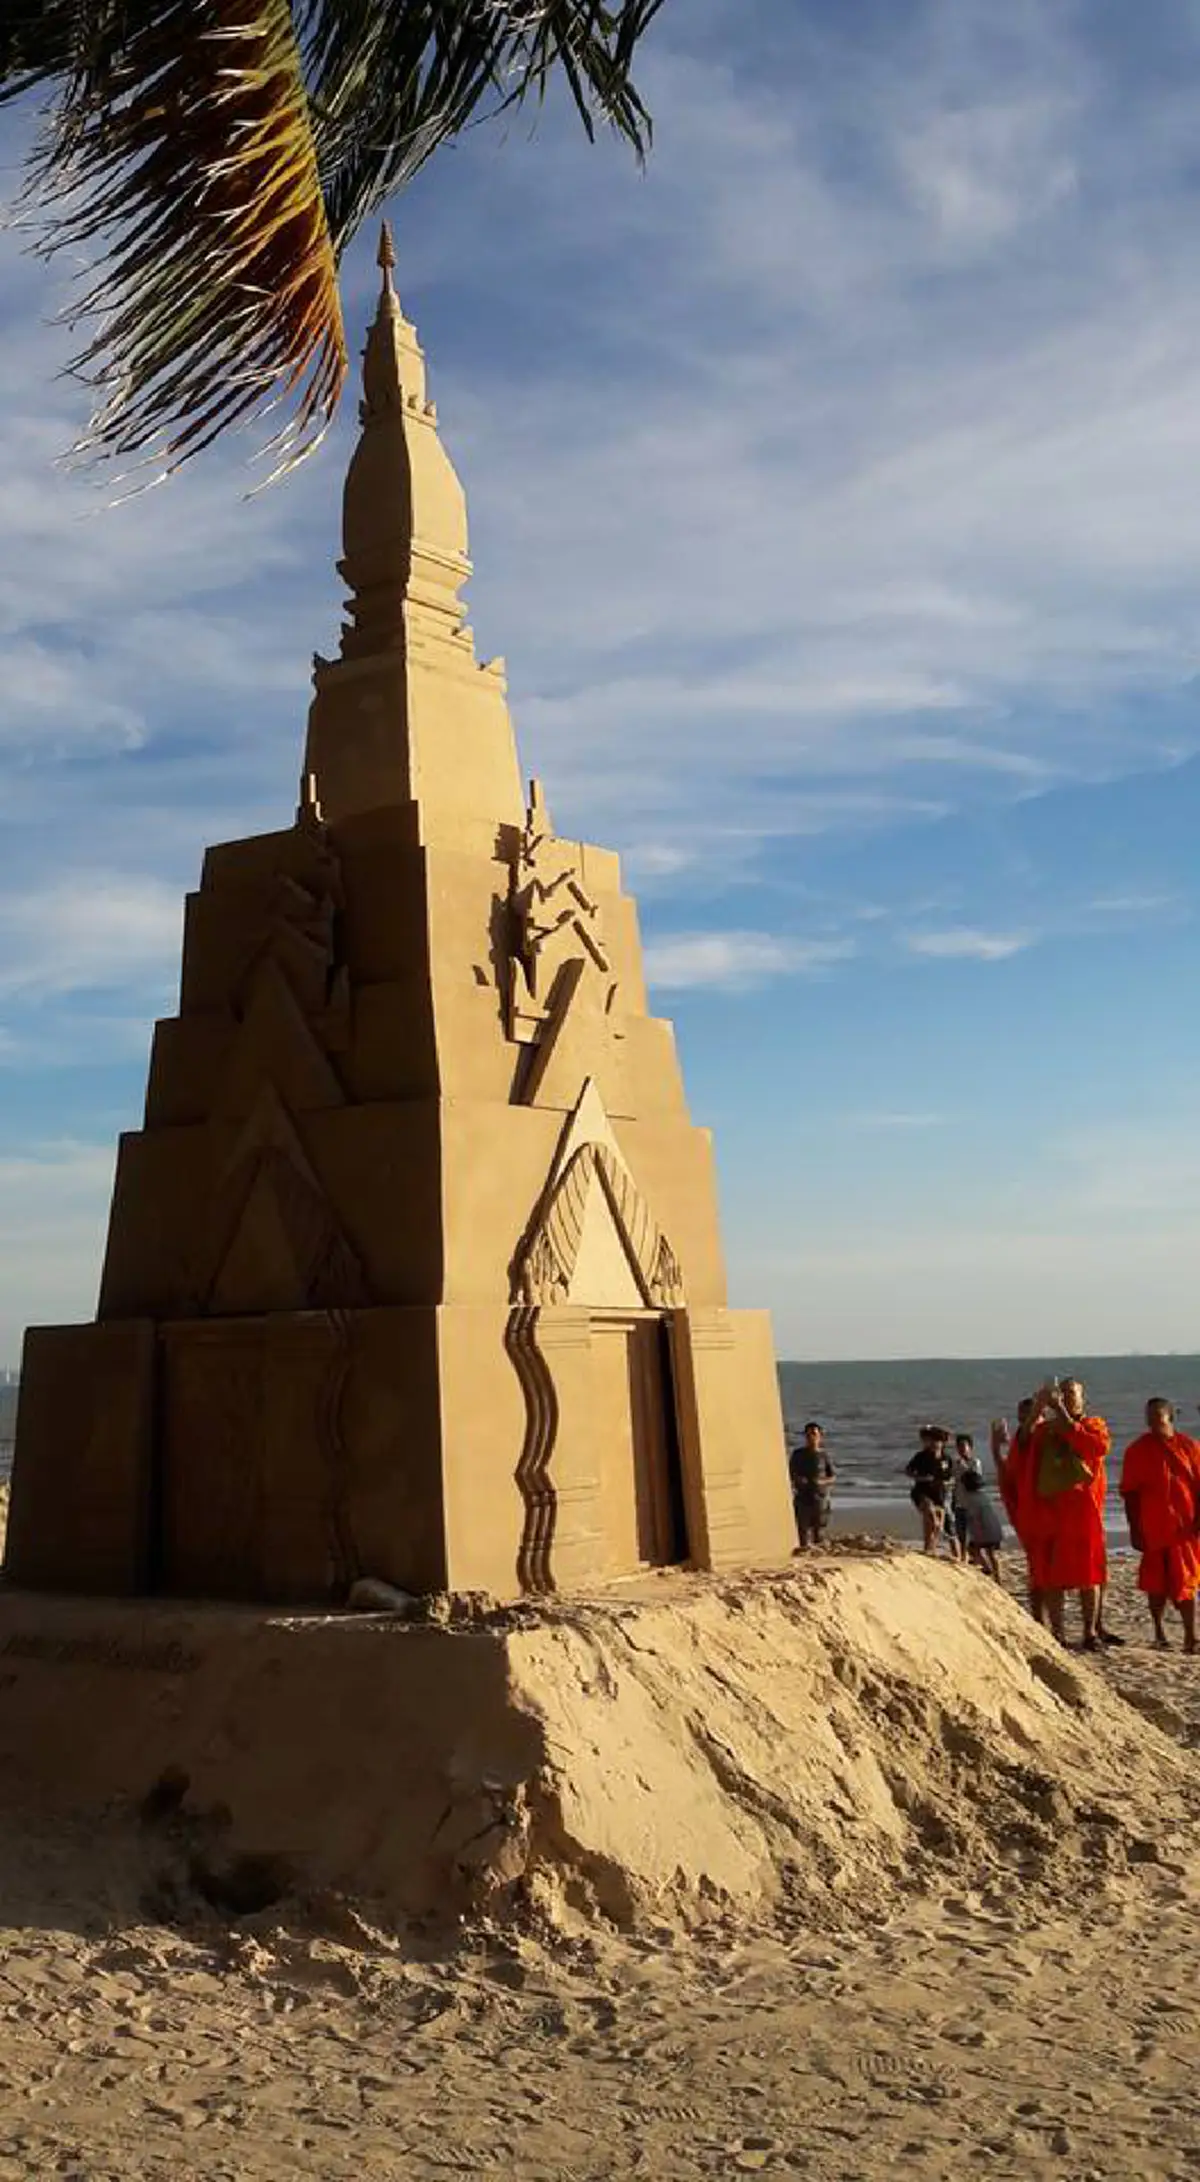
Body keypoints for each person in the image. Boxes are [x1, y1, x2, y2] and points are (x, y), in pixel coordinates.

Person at [1028, 1376, 1110, 1649]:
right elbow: (1024, 1444)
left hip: (1085, 1511)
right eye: (1062, 1394)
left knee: (1089, 1576)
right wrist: (1038, 1409)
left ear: (1082, 1399)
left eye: (1071, 1394)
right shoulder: (1047, 1430)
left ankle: (1090, 1632)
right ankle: (1058, 1632)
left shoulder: (1094, 1425)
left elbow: (1096, 1448)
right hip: (1054, 1512)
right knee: (1053, 1576)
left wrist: (1061, 1412)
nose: (1066, 1398)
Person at [1120, 1399, 1200, 1652]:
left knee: (1186, 1582)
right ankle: (1159, 1632)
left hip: (1184, 1529)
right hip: (1152, 1526)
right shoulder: (1138, 1450)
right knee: (1156, 1584)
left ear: (1170, 1417)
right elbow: (1130, 1493)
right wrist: (1134, 1528)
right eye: (1150, 1418)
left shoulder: (1189, 1447)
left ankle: (1191, 1636)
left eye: (1159, 1418)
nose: (1154, 1423)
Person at [992, 1399, 1047, 1622]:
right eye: (1022, 1416)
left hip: (1054, 1510)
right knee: (1037, 1570)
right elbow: (1009, 1476)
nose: (1025, 1420)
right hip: (1030, 1513)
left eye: (1031, 1414)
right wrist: (996, 1449)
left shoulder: (1048, 1435)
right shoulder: (1021, 1440)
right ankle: (1039, 1620)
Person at [905, 1426, 954, 1556]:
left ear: (942, 1443)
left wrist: (947, 1483)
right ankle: (929, 1548)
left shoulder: (946, 1459)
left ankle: (929, 1548)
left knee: (935, 1525)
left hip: (939, 1494)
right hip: (922, 1492)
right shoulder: (921, 1456)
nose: (933, 1444)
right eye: (930, 1441)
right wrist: (920, 1477)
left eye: (936, 1441)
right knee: (932, 1517)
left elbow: (951, 1477)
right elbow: (908, 1471)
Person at [790, 1421, 835, 1550]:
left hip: (820, 1497)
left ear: (820, 1436)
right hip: (803, 1496)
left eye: (814, 1434)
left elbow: (832, 1476)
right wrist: (799, 1479)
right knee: (802, 1528)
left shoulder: (824, 1455)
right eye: (808, 1434)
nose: (811, 1437)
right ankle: (804, 1550)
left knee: (818, 1529)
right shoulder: (798, 1454)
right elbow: (790, 1472)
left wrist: (821, 1482)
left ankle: (817, 1552)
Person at [961, 1465, 1003, 1579]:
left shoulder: (970, 1499)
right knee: (991, 1553)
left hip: (983, 1531)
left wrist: (976, 1534)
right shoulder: (983, 1495)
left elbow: (974, 1517)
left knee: (972, 1549)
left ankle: (986, 1568)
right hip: (994, 1528)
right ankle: (997, 1577)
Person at [951, 1434, 977, 1560]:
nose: (961, 1449)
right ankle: (963, 1556)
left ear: (970, 1447)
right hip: (959, 1501)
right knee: (960, 1531)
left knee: (974, 1532)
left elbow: (974, 1480)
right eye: (959, 1446)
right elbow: (953, 1480)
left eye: (964, 1446)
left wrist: (963, 1467)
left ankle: (974, 1555)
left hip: (972, 1502)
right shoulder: (955, 1463)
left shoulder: (975, 1462)